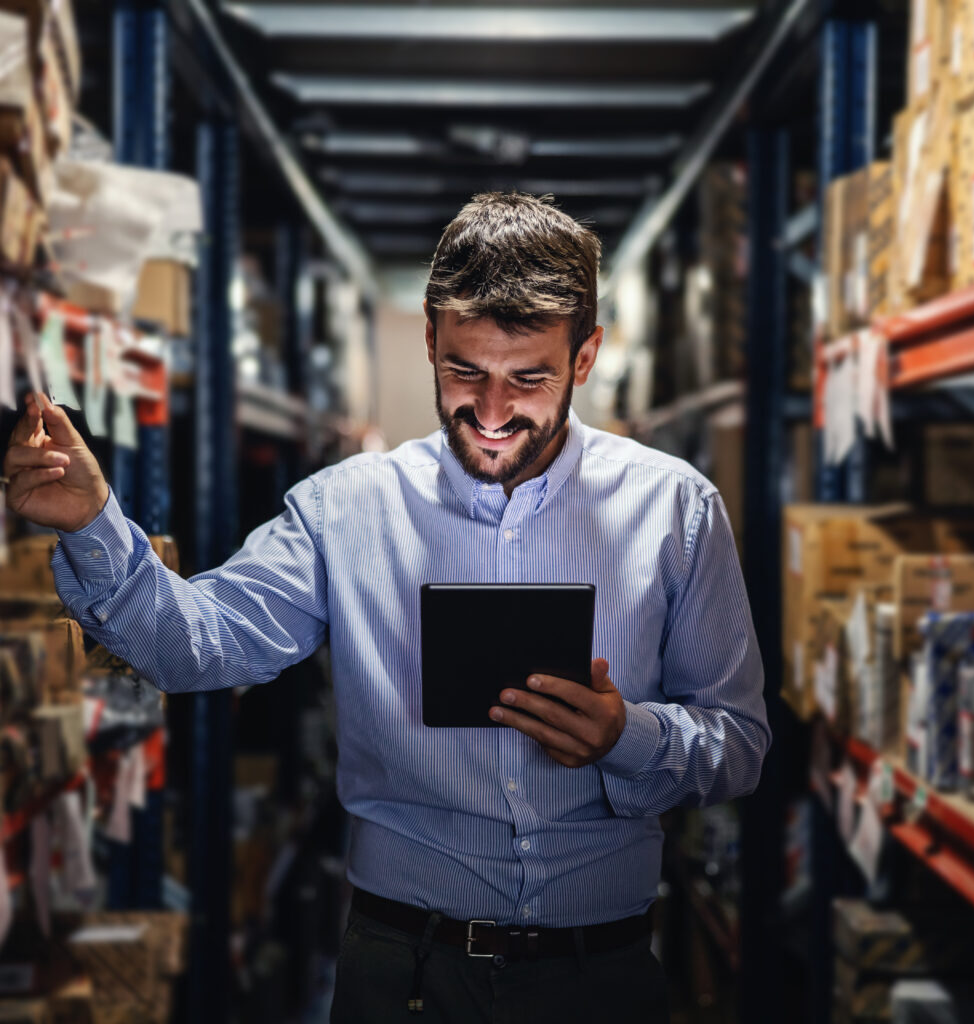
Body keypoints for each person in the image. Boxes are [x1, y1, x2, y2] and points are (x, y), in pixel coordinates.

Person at [4, 192, 769, 1024]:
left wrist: (630, 738)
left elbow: (739, 743)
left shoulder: (677, 510)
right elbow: (196, 644)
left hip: (601, 977)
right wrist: (91, 523)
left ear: (585, 358)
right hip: (402, 977)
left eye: (530, 379)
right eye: (465, 371)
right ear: (431, 339)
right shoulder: (346, 509)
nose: (492, 412)